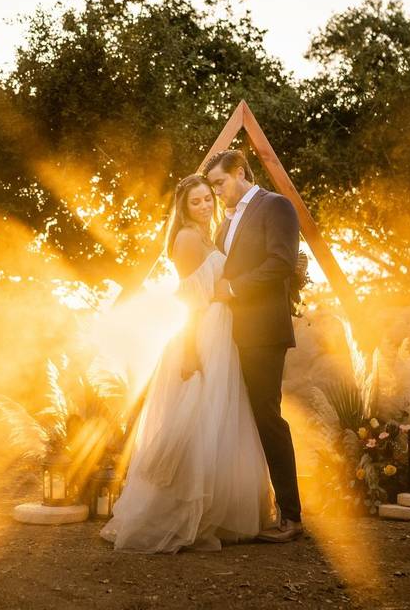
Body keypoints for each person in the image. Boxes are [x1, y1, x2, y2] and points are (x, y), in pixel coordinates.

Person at [100, 174, 272, 553]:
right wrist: (192, 348)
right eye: (196, 202)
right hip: (202, 333)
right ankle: (177, 515)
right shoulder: (187, 239)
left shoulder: (209, 235)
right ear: (184, 207)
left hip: (222, 333)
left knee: (218, 420)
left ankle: (214, 511)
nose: (205, 206)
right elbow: (189, 301)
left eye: (208, 199)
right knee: (197, 419)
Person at [204, 149, 304, 542]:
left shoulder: (275, 206)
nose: (216, 193)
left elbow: (281, 262)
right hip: (230, 333)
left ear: (240, 172)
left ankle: (292, 517)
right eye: (212, 187)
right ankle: (247, 509)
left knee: (267, 417)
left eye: (219, 183)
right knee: (239, 420)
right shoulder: (223, 223)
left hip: (263, 331)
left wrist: (234, 288)